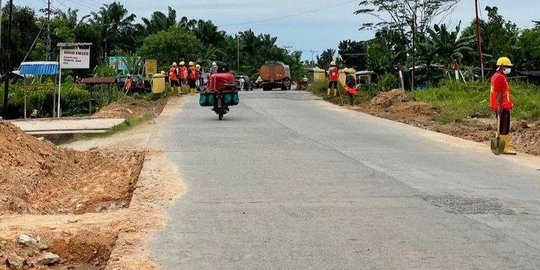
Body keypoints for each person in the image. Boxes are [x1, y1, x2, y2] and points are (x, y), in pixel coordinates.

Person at [490, 57, 515, 155]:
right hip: (502, 106)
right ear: (501, 67)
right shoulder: (499, 77)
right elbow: (499, 93)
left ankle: (499, 146)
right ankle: (504, 148)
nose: (508, 68)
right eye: (507, 66)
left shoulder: (496, 76)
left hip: (501, 105)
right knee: (504, 127)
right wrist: (500, 106)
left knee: (500, 126)